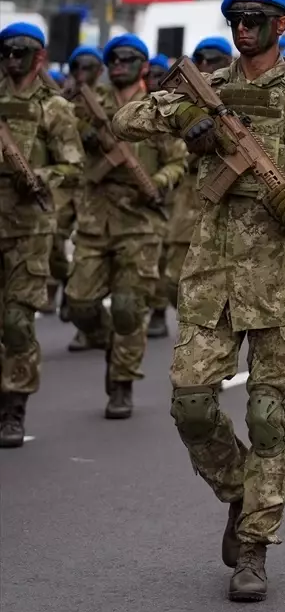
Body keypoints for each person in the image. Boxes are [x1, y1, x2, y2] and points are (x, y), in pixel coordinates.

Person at [111, 0, 285, 601]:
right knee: (189, 404)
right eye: (234, 18)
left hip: (282, 281)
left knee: (269, 417)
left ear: (281, 24)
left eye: (256, 18)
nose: (243, 27)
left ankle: (254, 547)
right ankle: (239, 490)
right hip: (212, 278)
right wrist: (191, 117)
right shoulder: (211, 86)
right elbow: (125, 117)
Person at [66, 34, 187, 418]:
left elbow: (177, 160)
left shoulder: (157, 109)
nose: (118, 64)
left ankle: (121, 383)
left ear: (143, 65)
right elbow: (60, 137)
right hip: (94, 219)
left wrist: (159, 184)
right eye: (113, 59)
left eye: (128, 58)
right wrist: (81, 135)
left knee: (128, 307)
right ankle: (108, 344)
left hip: (140, 222)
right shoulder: (88, 104)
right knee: (80, 302)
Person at [0, 22, 84, 447]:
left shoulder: (54, 107)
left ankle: (14, 407)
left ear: (38, 57)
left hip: (29, 229)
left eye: (21, 52)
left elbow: (73, 166)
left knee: (15, 320)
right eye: (6, 52)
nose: (12, 59)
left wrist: (38, 176)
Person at [148, 37, 235, 339]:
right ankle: (187, 323)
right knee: (173, 276)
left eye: (214, 59)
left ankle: (209, 341)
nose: (207, 65)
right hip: (187, 198)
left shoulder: (239, 97)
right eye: (201, 59)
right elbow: (167, 147)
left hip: (231, 203)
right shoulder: (183, 101)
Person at [45, 45, 102, 319]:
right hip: (65, 182)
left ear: (99, 71)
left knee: (87, 246)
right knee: (53, 239)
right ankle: (65, 280)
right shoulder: (59, 100)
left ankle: (78, 301)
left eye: (87, 67)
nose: (80, 73)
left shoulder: (107, 100)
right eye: (75, 67)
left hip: (94, 183)